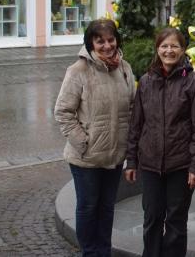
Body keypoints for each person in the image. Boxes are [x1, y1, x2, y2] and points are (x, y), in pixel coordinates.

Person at [124, 27, 195, 257]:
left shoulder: (194, 83)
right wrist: (131, 160)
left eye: (174, 46)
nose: (169, 50)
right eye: (164, 46)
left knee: (176, 221)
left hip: (180, 165)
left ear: (183, 50)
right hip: (150, 164)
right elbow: (136, 124)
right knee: (152, 218)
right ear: (157, 49)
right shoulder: (146, 81)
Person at [54, 18, 136, 257]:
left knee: (107, 207)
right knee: (89, 207)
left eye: (111, 40)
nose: (107, 45)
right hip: (86, 158)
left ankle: (103, 251)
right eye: (100, 41)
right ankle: (90, 252)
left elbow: (132, 108)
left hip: (115, 154)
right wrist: (84, 142)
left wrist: (128, 146)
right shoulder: (78, 71)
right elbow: (63, 112)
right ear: (90, 43)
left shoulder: (124, 68)